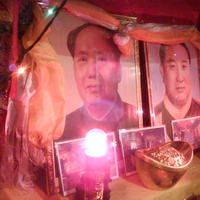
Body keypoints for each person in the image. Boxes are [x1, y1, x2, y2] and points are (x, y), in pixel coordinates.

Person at [59, 24, 139, 142]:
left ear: (118, 71)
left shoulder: (140, 122)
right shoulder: (61, 130)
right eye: (83, 59)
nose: (92, 72)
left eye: (101, 59)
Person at [155, 43, 200, 140]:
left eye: (184, 66)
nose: (180, 78)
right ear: (162, 71)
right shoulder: (154, 119)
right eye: (172, 66)